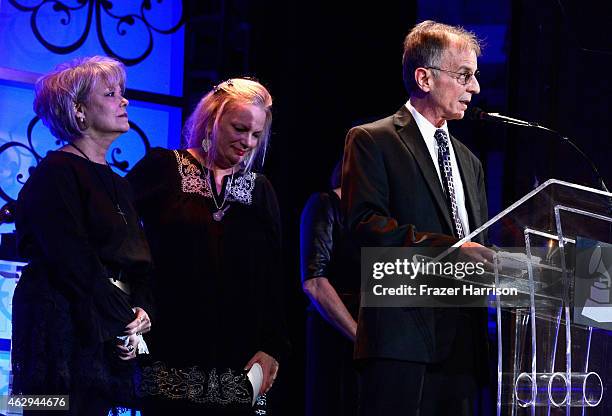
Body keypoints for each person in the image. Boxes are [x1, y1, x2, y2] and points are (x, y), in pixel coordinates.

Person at [341, 21, 492, 416]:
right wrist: (454, 252)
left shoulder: (470, 162)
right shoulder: (373, 140)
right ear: (424, 77)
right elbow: (366, 227)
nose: (474, 88)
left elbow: (478, 240)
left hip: (464, 349)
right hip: (402, 344)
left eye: (474, 76)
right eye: (464, 75)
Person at [126, 78, 288, 415]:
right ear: (212, 119)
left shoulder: (261, 190)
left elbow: (275, 276)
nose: (247, 142)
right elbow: (119, 237)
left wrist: (272, 346)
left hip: (241, 356)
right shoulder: (164, 169)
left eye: (257, 135)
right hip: (170, 346)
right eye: (240, 128)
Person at [12, 56, 153, 415]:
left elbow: (135, 262)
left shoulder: (121, 184)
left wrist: (140, 313)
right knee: (50, 410)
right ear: (78, 111)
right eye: (110, 94)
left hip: (104, 334)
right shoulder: (56, 173)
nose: (123, 101)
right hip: (60, 335)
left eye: (122, 93)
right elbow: (73, 261)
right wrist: (121, 320)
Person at [300, 160, 359, 416]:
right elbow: (314, 282)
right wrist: (360, 336)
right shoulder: (325, 204)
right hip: (336, 334)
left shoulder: (381, 217)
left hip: (375, 341)